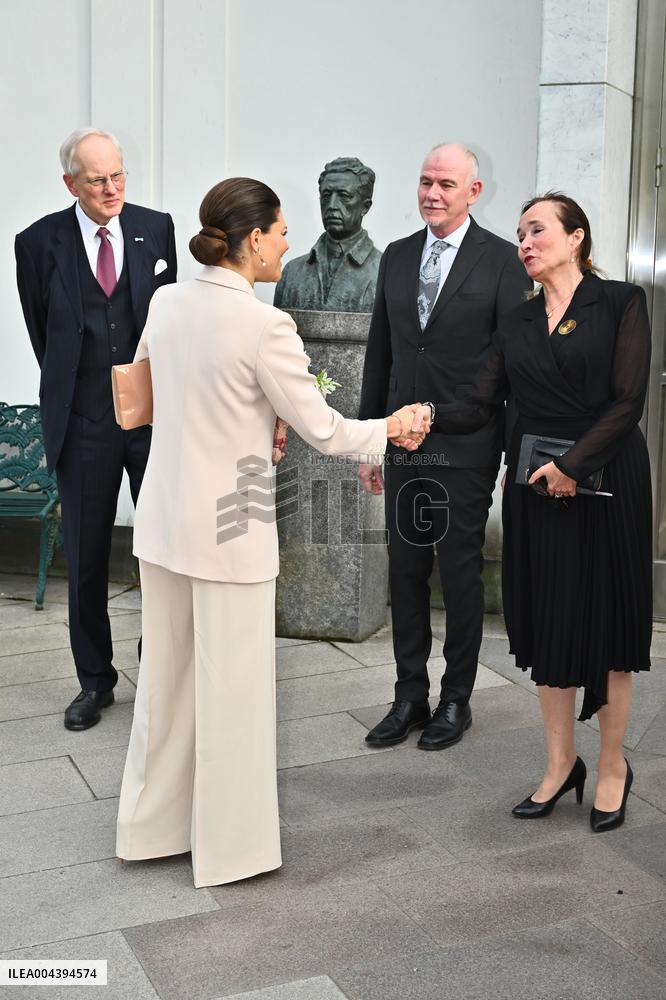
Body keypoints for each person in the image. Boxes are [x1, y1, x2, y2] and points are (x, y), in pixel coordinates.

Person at [115, 177, 431, 888]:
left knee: (166, 687)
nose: (288, 241)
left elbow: (156, 392)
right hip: (230, 531)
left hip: (163, 522)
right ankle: (230, 851)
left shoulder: (167, 300)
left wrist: (259, 420)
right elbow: (326, 427)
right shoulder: (265, 325)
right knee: (233, 694)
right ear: (252, 239)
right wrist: (394, 426)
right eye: (280, 229)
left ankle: (149, 830)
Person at [423, 192, 652, 831]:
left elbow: (628, 401)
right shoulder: (517, 324)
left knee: (606, 629)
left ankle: (611, 768)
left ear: (576, 238)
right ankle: (559, 765)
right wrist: (422, 417)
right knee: (550, 620)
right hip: (536, 488)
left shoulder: (621, 303)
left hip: (605, 484)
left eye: (537, 230)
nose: (525, 242)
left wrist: (572, 466)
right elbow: (478, 402)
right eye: (520, 233)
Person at [358, 142, 531, 751]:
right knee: (404, 570)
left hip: (466, 443)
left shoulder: (505, 263)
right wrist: (369, 438)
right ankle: (409, 695)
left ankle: (456, 699)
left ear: (473, 192)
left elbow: (505, 362)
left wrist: (459, 421)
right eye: (426, 181)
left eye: (446, 185)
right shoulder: (398, 257)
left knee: (457, 572)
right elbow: (382, 351)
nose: (432, 193)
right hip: (403, 443)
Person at [15, 127, 177, 731]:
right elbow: (43, 333)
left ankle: (159, 667)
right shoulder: (36, 243)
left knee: (161, 550)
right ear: (70, 184)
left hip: (152, 419)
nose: (111, 189)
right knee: (84, 560)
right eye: (96, 179)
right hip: (83, 421)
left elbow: (166, 320)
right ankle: (95, 681)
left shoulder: (155, 227)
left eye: (118, 175)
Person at [273, 156, 382, 312]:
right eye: (326, 196)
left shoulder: (386, 273)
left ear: (365, 207)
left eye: (344, 196)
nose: (332, 206)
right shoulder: (292, 273)